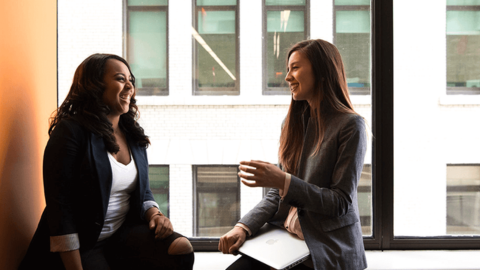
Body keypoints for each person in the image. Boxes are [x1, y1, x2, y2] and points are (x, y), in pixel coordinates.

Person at [19, 54, 194, 270]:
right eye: (121, 79)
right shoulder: (70, 133)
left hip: (120, 236)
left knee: (180, 248)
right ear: (94, 85)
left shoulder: (133, 135)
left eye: (131, 80)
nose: (130, 86)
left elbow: (143, 190)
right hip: (81, 246)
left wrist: (155, 214)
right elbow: (60, 211)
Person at [219, 39, 368, 270]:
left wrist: (283, 180)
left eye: (295, 68)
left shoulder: (351, 125)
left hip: (325, 245)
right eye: (288, 69)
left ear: (321, 71)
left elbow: (340, 203)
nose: (287, 77)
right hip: (285, 239)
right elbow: (277, 194)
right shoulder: (291, 124)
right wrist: (243, 227)